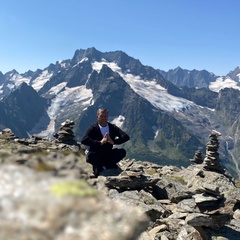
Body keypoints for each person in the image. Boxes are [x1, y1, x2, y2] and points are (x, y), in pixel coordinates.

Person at [81, 108, 130, 177]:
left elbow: (126, 137)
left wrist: (113, 142)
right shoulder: (93, 128)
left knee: (122, 152)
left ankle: (107, 165)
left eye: (105, 116)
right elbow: (84, 140)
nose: (104, 118)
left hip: (108, 153)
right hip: (96, 153)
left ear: (107, 117)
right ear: (97, 117)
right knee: (90, 156)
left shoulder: (112, 127)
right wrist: (100, 142)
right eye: (101, 116)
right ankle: (101, 167)